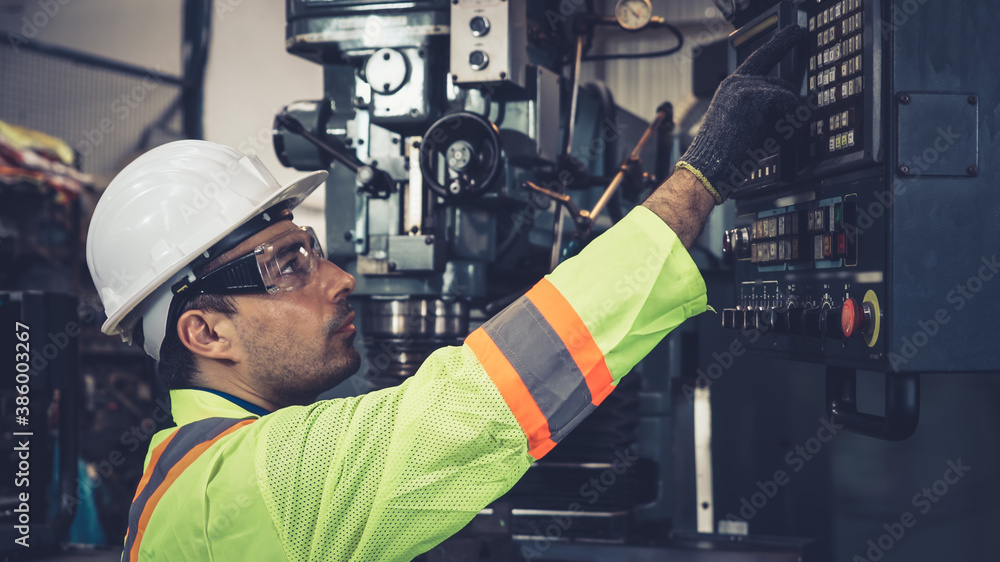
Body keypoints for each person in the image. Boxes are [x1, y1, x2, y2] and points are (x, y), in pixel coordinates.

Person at [86, 26, 804, 562]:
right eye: (286, 265)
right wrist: (699, 180)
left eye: (313, 250)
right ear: (206, 333)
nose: (340, 279)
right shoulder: (257, 482)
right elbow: (476, 404)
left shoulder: (179, 471)